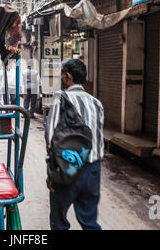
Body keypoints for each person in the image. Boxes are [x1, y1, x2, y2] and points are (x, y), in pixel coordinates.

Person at [45, 59, 104, 230]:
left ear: (68, 76)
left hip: (66, 168)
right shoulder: (96, 103)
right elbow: (98, 139)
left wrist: (51, 173)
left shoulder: (60, 99)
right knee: (89, 221)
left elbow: (50, 138)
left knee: (59, 222)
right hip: (92, 169)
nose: (61, 77)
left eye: (62, 73)